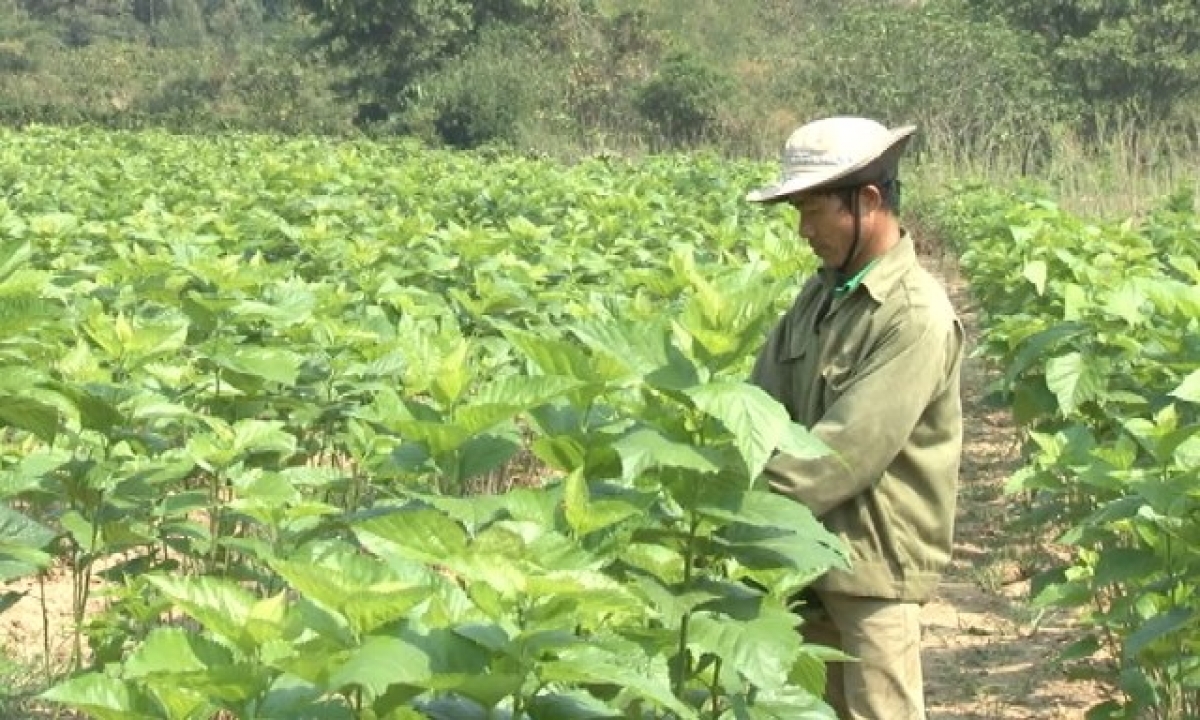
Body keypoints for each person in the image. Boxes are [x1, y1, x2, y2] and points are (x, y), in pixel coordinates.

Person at [746, 116, 964, 720]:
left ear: (867, 201)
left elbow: (842, 453)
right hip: (803, 562)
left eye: (814, 211)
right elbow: (758, 406)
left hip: (871, 572)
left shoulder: (914, 315)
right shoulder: (819, 296)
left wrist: (734, 519)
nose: (802, 231)